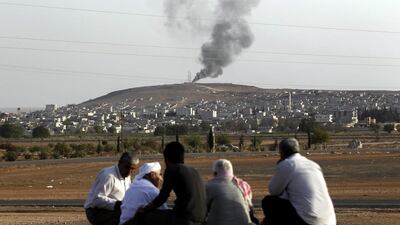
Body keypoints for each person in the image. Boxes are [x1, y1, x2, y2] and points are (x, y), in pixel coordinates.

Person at [261, 138, 336, 225]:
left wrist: (280, 165)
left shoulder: (287, 164)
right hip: (329, 220)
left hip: (309, 220)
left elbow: (273, 190)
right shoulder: (313, 164)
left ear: (281, 152)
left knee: (269, 202)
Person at [137, 141, 207, 225]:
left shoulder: (172, 169)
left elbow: (162, 197)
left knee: (146, 216)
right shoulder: (194, 171)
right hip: (201, 218)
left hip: (184, 219)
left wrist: (145, 209)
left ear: (166, 159)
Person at [84, 152, 139, 225]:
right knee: (126, 217)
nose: (129, 171)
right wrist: (118, 204)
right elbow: (97, 199)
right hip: (96, 211)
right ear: (120, 163)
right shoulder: (109, 176)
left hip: (114, 209)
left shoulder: (126, 175)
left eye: (132, 169)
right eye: (127, 167)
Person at [205, 159, 255, 225]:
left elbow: (202, 210)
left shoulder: (209, 186)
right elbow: (250, 209)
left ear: (214, 173)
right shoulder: (243, 185)